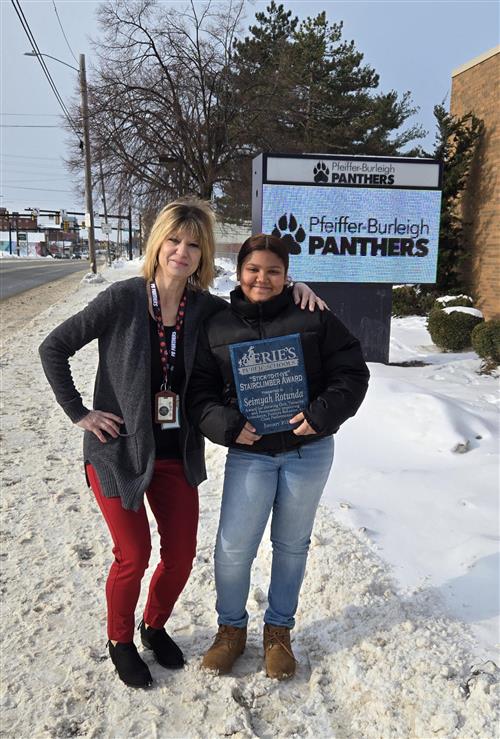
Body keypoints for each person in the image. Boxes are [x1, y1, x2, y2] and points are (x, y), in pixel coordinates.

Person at [39, 199, 325, 689]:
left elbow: (257, 296)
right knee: (133, 554)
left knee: (181, 555)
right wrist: (81, 413)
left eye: (193, 244)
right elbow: (54, 347)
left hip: (176, 454)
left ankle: (153, 626)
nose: (182, 251)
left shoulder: (206, 308)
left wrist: (294, 286)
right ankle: (121, 640)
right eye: (174, 240)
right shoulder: (123, 299)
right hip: (119, 452)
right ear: (158, 244)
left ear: (203, 253)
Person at [188, 234, 370, 680]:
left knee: (291, 545)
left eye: (273, 270)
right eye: (254, 269)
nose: (262, 278)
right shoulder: (217, 324)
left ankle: (278, 632)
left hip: (307, 450)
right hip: (251, 453)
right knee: (233, 547)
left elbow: (351, 371)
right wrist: (227, 425)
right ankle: (230, 630)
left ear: (288, 275)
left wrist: (322, 414)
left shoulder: (313, 315)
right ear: (240, 270)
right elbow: (199, 393)